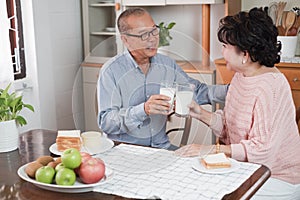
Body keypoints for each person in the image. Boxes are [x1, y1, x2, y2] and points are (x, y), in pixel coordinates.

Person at [175, 7, 300, 199]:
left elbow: (262, 151)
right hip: (248, 169)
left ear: (245, 55)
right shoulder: (242, 76)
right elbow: (230, 126)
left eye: (225, 46)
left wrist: (208, 149)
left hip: (275, 178)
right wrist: (199, 112)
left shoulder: (270, 87)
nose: (221, 52)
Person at [97, 7, 228, 150]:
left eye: (154, 31)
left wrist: (235, 89)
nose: (153, 39)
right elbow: (106, 122)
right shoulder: (111, 71)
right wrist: (144, 109)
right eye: (144, 35)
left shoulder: (167, 64)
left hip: (161, 148)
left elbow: (199, 92)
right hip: (125, 149)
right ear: (125, 40)